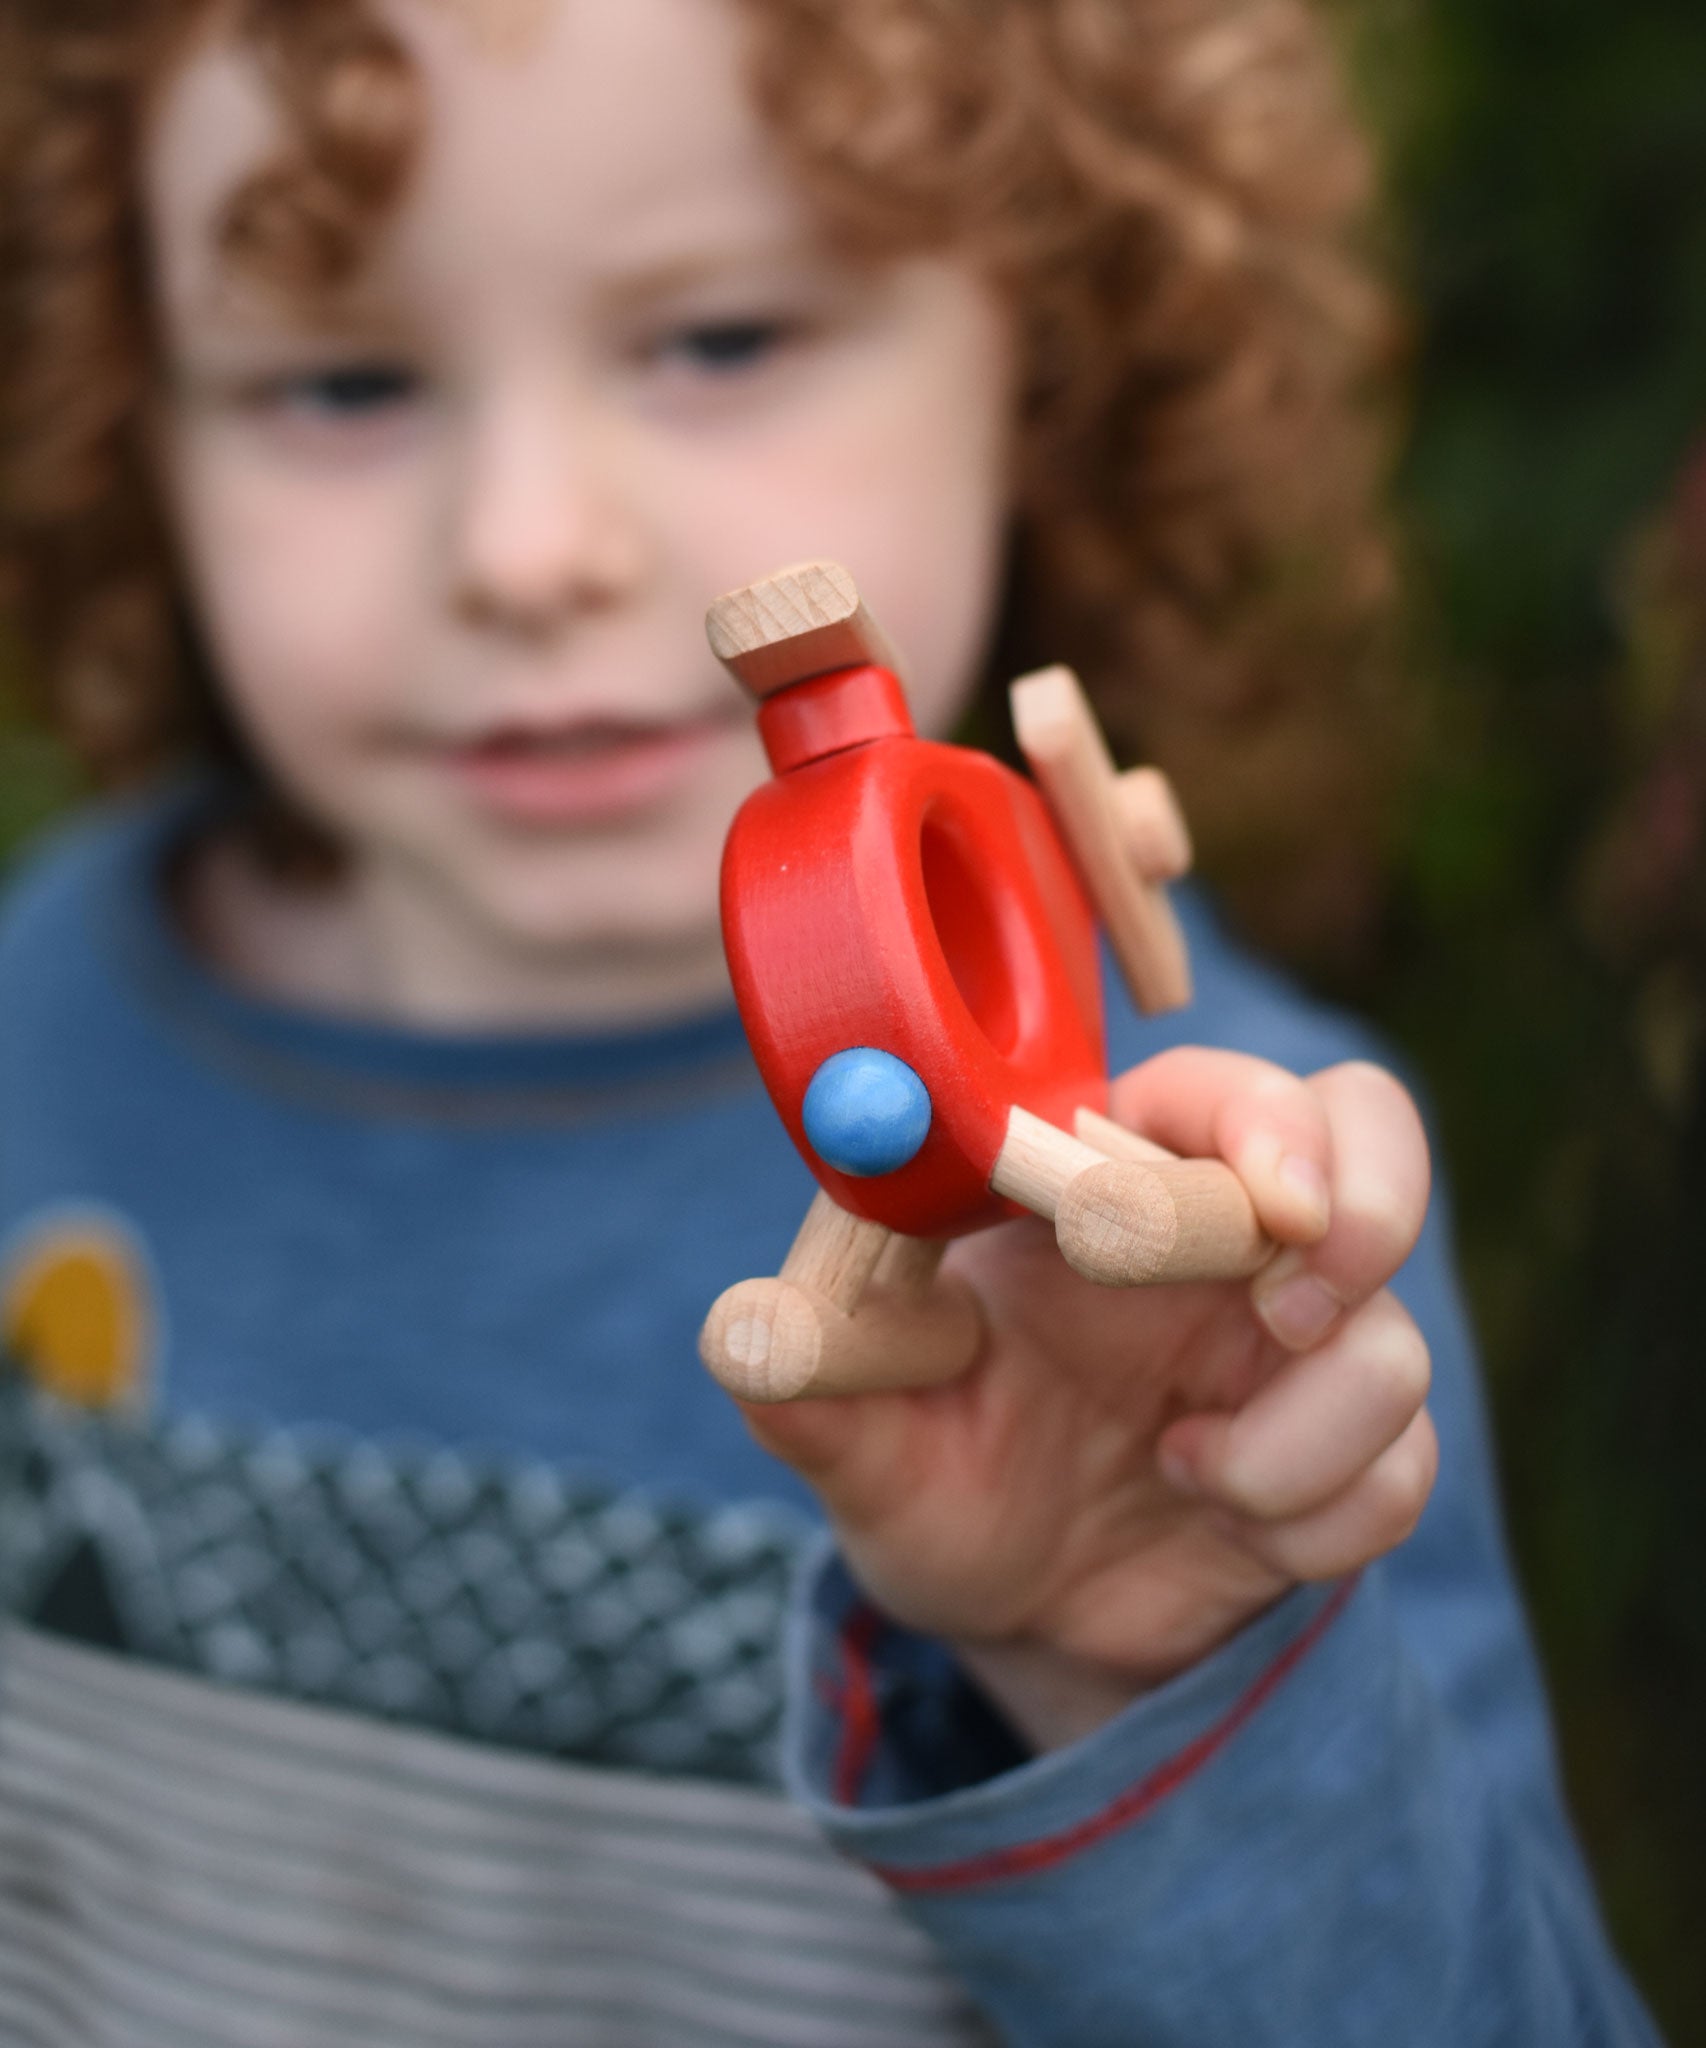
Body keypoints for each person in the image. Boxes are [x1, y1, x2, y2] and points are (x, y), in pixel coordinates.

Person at [0, 0, 1658, 2041]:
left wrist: (1136, 1686)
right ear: (125, 403)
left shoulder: (1231, 1228)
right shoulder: (38, 1005)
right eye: (341, 379)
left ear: (1052, 355)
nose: (527, 548)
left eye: (721, 339)